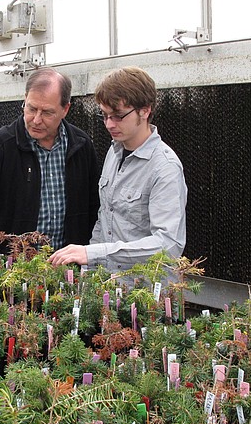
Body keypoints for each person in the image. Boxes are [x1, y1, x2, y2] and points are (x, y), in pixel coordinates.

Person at [0, 67, 100, 257]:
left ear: (65, 109)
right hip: (12, 267)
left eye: (47, 112)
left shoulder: (80, 145)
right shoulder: (2, 145)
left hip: (67, 265)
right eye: (31, 108)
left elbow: (95, 204)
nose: (36, 120)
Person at [49, 66, 187, 272]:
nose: (109, 124)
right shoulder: (114, 153)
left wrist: (94, 253)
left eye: (118, 116)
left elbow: (168, 244)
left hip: (144, 291)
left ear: (145, 110)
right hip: (107, 285)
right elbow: (104, 219)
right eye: (104, 115)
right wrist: (90, 268)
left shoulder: (165, 168)